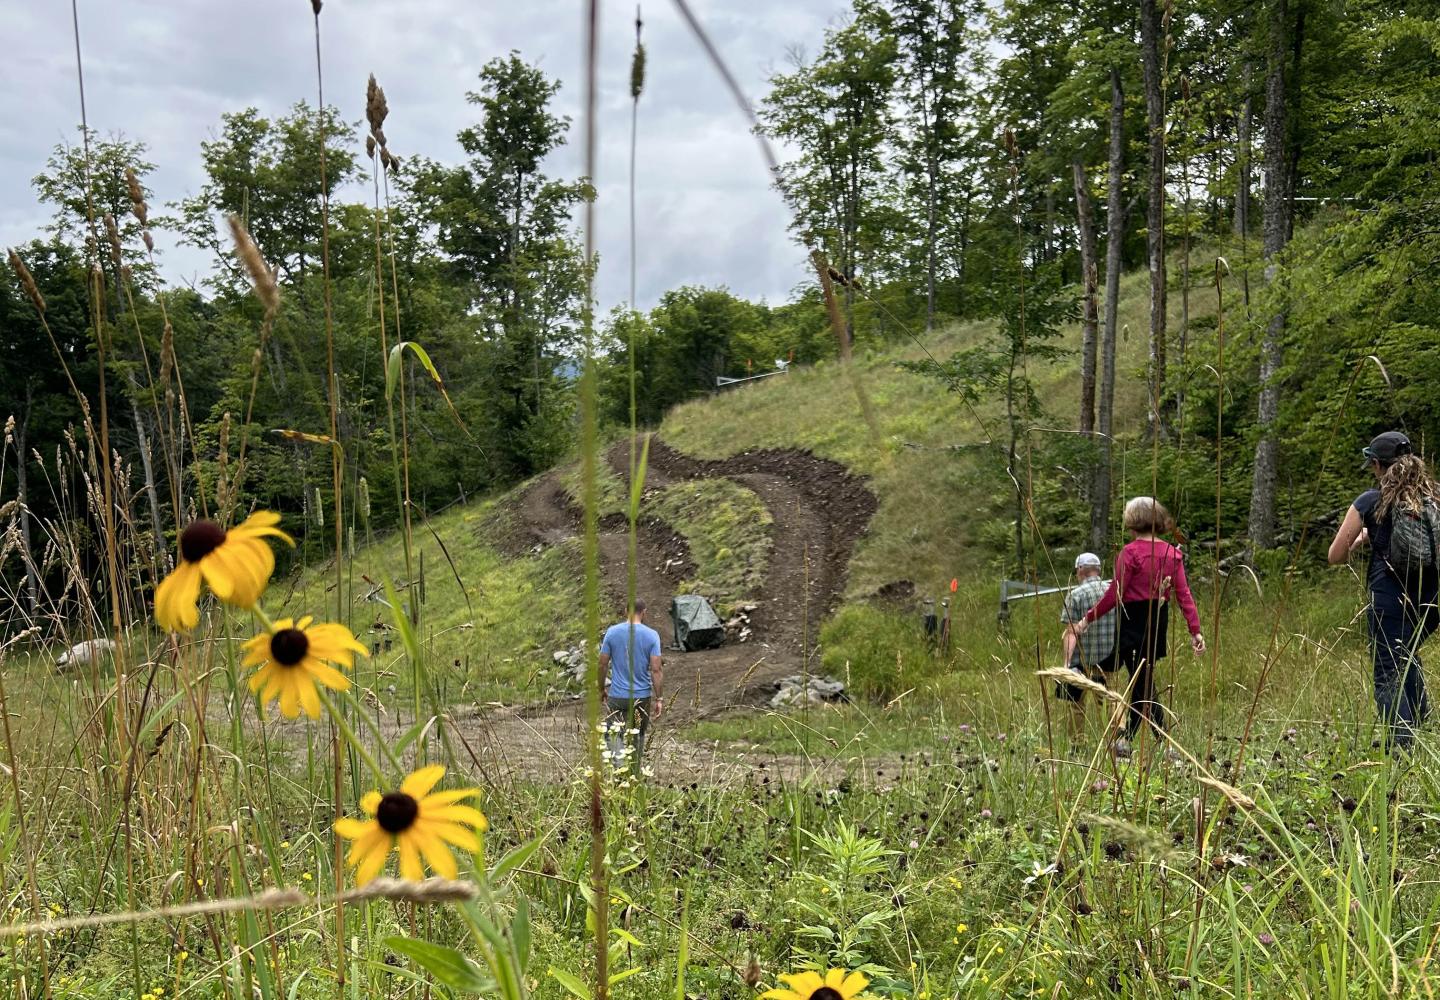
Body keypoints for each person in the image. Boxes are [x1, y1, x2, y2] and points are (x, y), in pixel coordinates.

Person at [1327, 431, 1438, 750]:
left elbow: (1335, 555)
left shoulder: (1370, 502)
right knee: (1407, 657)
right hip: (1429, 603)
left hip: (1389, 600)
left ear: (1377, 465)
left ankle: (1402, 749)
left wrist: (1362, 538)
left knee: (1388, 673)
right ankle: (1424, 730)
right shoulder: (1434, 499)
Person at [1071, 497, 1205, 749]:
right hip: (1158, 619)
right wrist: (1194, 630)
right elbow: (1184, 593)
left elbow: (1115, 594)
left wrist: (1087, 619)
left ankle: (1147, 741)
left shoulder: (1130, 553)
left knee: (1141, 681)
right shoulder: (1171, 553)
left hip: (1133, 620)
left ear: (1132, 523)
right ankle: (1143, 741)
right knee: (1142, 679)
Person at [1057, 552, 1118, 741]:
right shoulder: (1113, 591)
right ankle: (1115, 742)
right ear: (1098, 570)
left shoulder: (1075, 595)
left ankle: (1077, 744)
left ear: (1081, 570)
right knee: (1108, 702)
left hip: (1081, 662)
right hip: (1108, 659)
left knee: (1076, 706)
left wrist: (1066, 665)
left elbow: (1072, 632)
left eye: (1076, 570)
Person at [598, 599, 664, 774]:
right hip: (641, 696)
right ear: (644, 612)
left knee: (613, 733)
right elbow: (656, 670)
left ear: (626, 611)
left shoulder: (612, 632)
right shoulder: (652, 635)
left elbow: (602, 664)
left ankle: (619, 771)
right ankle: (633, 775)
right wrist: (659, 698)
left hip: (617, 695)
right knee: (637, 735)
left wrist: (601, 688)